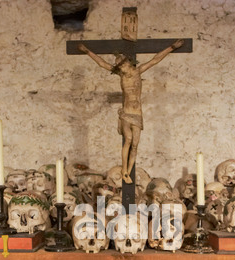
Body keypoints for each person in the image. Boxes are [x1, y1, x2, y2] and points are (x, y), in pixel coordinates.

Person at [78, 39, 184, 184]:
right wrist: (87, 51)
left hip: (137, 113)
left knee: (135, 145)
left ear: (128, 63)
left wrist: (171, 47)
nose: (122, 69)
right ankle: (125, 171)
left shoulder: (138, 71)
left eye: (123, 65)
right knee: (127, 140)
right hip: (126, 112)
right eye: (119, 67)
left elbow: (155, 60)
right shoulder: (121, 75)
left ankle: (129, 169)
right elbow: (102, 63)